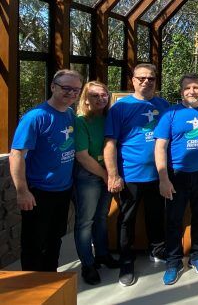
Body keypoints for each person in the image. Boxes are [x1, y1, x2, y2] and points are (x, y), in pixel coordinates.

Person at [9, 69, 83, 271]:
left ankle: (51, 283)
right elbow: (16, 154)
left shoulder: (69, 114)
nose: (71, 93)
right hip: (38, 192)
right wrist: (22, 191)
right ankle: (32, 289)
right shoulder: (35, 117)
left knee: (54, 240)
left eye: (76, 89)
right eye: (66, 88)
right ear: (53, 87)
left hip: (62, 190)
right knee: (34, 245)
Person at [105, 63, 170, 287]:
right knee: (127, 220)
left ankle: (157, 251)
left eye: (151, 78)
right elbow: (110, 143)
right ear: (132, 80)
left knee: (155, 215)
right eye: (141, 78)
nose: (146, 82)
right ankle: (126, 261)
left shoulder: (163, 105)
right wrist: (113, 175)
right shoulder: (120, 108)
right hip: (130, 175)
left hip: (157, 174)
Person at [154, 74, 198, 285]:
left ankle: (197, 256)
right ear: (181, 91)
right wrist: (163, 178)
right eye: (188, 88)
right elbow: (160, 146)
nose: (192, 91)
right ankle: (173, 262)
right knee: (173, 220)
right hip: (176, 175)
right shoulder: (170, 113)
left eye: (196, 87)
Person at [73, 81, 119, 285]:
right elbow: (82, 156)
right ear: (85, 98)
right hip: (89, 176)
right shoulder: (81, 121)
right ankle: (88, 264)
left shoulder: (109, 118)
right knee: (85, 222)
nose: (100, 99)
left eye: (104, 95)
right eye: (94, 95)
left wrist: (109, 174)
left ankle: (102, 254)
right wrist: (106, 175)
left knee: (101, 217)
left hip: (106, 174)